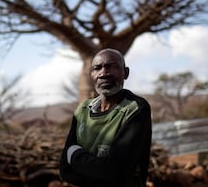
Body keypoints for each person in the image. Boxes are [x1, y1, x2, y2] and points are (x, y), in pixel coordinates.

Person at [59, 48, 152, 187]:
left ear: (125, 73)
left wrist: (75, 155)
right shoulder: (82, 110)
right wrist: (102, 172)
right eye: (97, 68)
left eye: (112, 66)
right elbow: (65, 170)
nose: (104, 73)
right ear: (91, 75)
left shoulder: (135, 109)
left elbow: (116, 171)